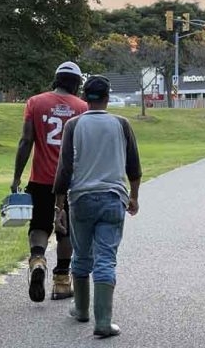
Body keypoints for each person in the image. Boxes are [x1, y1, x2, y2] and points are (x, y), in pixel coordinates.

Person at [53, 75, 142, 338]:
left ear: (84, 96)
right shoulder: (121, 124)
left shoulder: (73, 125)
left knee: (81, 255)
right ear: (107, 97)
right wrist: (134, 196)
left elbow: (64, 169)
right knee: (106, 258)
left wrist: (59, 207)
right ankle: (103, 321)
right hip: (113, 198)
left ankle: (81, 310)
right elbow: (133, 167)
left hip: (80, 199)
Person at [11, 61, 88, 302]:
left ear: (56, 79)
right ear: (76, 84)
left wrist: (16, 177)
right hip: (71, 182)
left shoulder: (35, 102)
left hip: (41, 179)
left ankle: (37, 260)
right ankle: (62, 281)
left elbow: (26, 141)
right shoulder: (83, 107)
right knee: (67, 231)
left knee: (40, 225)